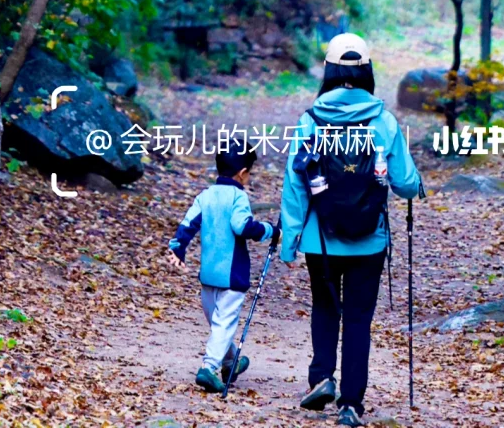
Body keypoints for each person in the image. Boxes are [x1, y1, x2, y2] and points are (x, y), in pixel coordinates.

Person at [279, 32, 422, 427]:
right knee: (358, 319)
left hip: (319, 238)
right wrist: (416, 184)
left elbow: (295, 187)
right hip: (369, 239)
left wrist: (289, 243)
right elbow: (406, 183)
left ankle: (322, 377)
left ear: (329, 70)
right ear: (367, 72)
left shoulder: (310, 121)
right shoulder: (384, 121)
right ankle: (351, 404)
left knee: (325, 308)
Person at [167, 138, 280, 393]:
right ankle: (208, 368)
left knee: (218, 322)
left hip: (209, 274)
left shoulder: (205, 196)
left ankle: (231, 362)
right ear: (242, 173)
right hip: (232, 276)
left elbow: (188, 224)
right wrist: (271, 230)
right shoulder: (238, 196)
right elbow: (243, 226)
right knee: (223, 324)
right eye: (250, 173)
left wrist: (178, 249)